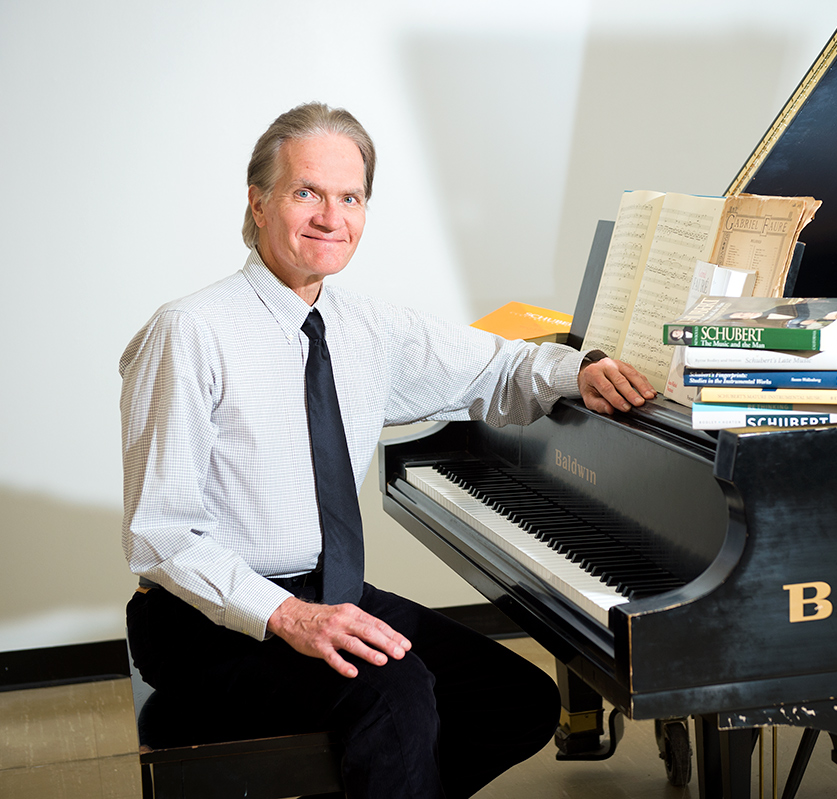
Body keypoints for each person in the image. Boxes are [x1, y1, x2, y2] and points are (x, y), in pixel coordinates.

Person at [120, 101, 656, 799]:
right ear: (258, 202)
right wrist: (289, 616)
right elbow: (161, 534)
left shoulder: (364, 326)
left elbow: (494, 366)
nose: (329, 216)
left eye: (351, 197)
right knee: (395, 698)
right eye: (306, 192)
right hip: (209, 619)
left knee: (513, 697)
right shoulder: (189, 331)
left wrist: (578, 370)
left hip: (331, 593)